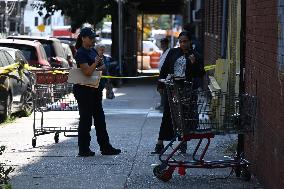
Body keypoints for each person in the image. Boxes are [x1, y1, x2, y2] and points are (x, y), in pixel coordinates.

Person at [152, 31, 205, 154]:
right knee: (168, 115)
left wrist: (193, 63)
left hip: (188, 90)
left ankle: (183, 143)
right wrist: (160, 84)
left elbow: (201, 74)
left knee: (185, 117)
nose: (183, 44)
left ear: (190, 41)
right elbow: (164, 69)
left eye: (185, 41)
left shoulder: (195, 55)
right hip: (173, 89)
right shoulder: (173, 52)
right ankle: (159, 143)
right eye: (181, 41)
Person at [73, 27, 121, 157]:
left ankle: (106, 147)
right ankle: (83, 149)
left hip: (95, 89)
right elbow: (87, 72)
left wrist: (100, 63)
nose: (93, 40)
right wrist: (96, 64)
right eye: (91, 37)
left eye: (94, 37)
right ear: (83, 38)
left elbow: (100, 67)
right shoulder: (80, 53)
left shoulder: (93, 50)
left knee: (100, 119)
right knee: (86, 120)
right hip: (84, 91)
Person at [155, 38, 170, 111]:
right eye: (162, 44)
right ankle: (162, 104)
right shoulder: (163, 52)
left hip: (165, 75)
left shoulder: (168, 52)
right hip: (161, 74)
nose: (162, 45)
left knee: (163, 90)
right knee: (160, 90)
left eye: (164, 44)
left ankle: (164, 105)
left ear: (167, 44)